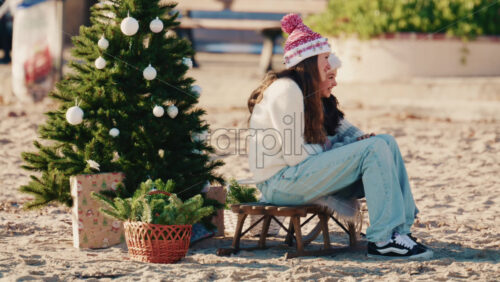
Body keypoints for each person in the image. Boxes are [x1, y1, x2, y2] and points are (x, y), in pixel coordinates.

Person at [247, 13, 433, 259]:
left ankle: (400, 231)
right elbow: (295, 156)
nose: (328, 64)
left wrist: (357, 144)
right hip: (280, 182)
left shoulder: (312, 95)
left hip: (299, 176)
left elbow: (346, 133)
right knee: (373, 148)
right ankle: (383, 240)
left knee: (384, 142)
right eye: (324, 58)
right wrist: (350, 151)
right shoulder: (286, 90)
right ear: (310, 60)